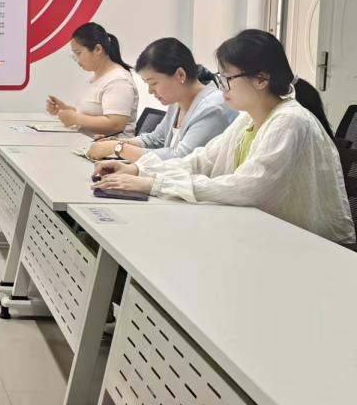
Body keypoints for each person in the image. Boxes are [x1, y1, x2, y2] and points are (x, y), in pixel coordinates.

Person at [92, 29, 355, 245]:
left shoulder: (289, 121)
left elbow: (248, 188)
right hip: (267, 236)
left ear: (261, 79)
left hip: (313, 248)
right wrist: (138, 170)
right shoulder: (248, 119)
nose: (221, 86)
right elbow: (202, 160)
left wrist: (154, 184)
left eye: (227, 78)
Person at [86, 37, 235, 161]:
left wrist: (118, 148)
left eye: (153, 83)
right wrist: (117, 142)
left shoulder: (212, 107)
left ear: (180, 75)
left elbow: (180, 158)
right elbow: (157, 140)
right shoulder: (178, 102)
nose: (150, 91)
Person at [45, 22, 139, 136]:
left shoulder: (119, 81)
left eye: (78, 53)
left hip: (113, 145)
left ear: (98, 49)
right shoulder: (97, 77)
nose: (76, 59)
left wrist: (75, 118)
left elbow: (116, 124)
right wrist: (65, 110)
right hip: (91, 142)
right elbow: (93, 116)